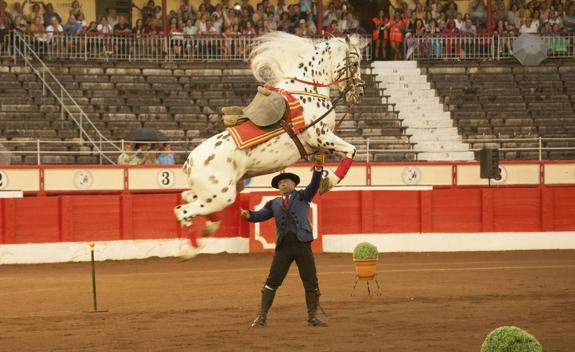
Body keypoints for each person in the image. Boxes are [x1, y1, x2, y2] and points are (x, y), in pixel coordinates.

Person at [241, 153, 328, 328]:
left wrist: (318, 168)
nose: (283, 183)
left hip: (302, 244)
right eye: (280, 182)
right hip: (284, 247)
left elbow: (314, 185)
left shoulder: (303, 196)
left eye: (286, 181)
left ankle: (312, 317)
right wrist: (249, 215)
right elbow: (260, 216)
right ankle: (261, 317)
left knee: (310, 280)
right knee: (272, 281)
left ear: (294, 184)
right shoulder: (274, 203)